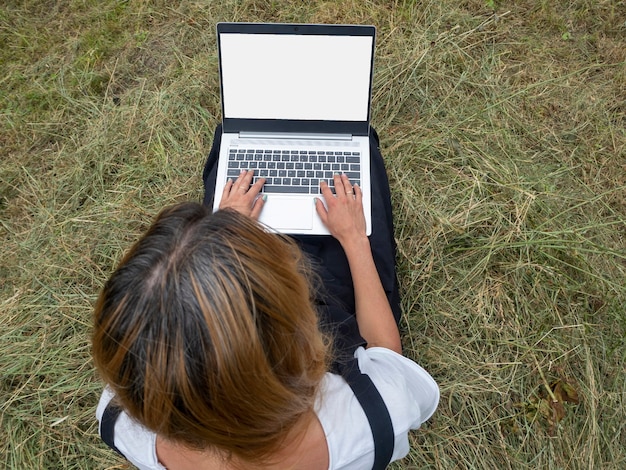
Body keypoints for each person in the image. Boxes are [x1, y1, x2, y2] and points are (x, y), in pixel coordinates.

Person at [92, 126, 439, 470]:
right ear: (305, 343)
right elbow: (384, 353)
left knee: (227, 163)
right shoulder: (371, 419)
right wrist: (353, 239)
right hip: (340, 311)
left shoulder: (120, 421)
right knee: (359, 174)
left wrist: (229, 226)